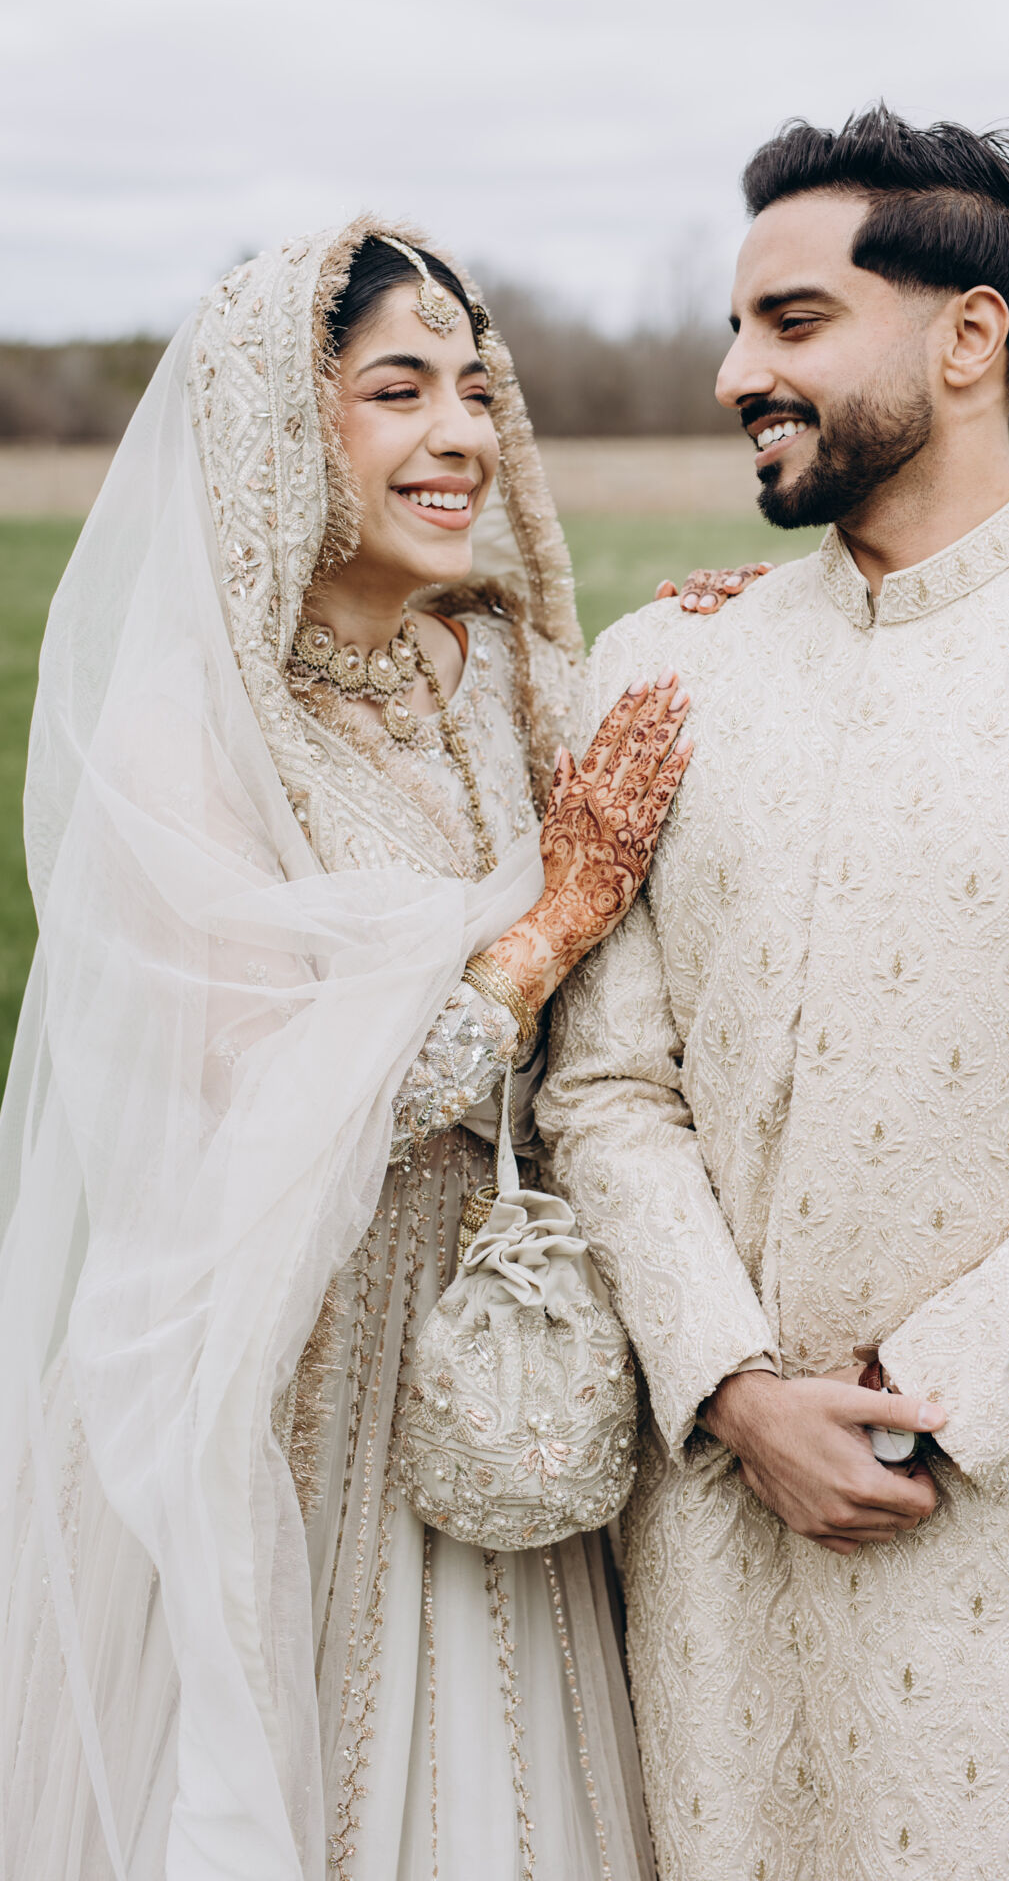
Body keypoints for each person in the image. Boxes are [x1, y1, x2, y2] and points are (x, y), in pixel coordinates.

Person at [539, 107, 1009, 1879]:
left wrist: (914, 1410)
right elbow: (605, 1087)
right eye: (737, 327)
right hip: (720, 1539)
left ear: (969, 337)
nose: (737, 374)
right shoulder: (665, 666)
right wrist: (736, 1395)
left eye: (792, 322)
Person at [0, 217, 751, 1879]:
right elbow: (283, 1110)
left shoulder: (499, 675)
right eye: (399, 390)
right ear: (281, 428)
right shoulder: (185, 737)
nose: (463, 433)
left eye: (476, 389)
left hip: (524, 1356)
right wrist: (545, 930)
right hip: (298, 1363)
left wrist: (725, 647)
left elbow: (651, 792)